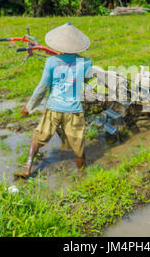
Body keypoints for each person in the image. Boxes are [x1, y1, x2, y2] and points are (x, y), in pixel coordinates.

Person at [14, 22, 92, 178]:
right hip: (74, 110)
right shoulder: (86, 62)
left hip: (53, 108)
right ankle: (82, 176)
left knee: (38, 137)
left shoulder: (51, 62)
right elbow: (86, 81)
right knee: (79, 147)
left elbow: (42, 88)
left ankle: (28, 167)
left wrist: (29, 107)